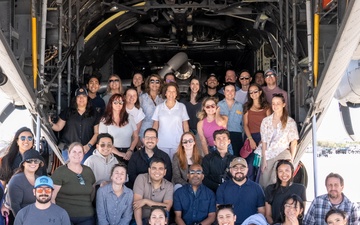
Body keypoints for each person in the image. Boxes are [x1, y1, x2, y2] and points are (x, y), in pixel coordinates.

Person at [255, 93, 299, 188]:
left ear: (283, 104)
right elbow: (264, 141)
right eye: (273, 103)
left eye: (278, 103)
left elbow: (294, 143)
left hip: (283, 152)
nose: (275, 106)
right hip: (269, 152)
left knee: (277, 179)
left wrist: (291, 159)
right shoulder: (266, 121)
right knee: (264, 180)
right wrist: (264, 160)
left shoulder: (290, 122)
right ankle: (265, 201)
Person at [50, 87, 100, 162]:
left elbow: (97, 133)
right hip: (68, 149)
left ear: (87, 98)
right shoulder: (68, 111)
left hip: (86, 150)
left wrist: (88, 146)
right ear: (75, 99)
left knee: (84, 172)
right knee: (70, 172)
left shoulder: (94, 113)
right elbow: (58, 127)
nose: (81, 99)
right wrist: (49, 123)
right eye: (79, 97)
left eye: (84, 96)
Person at [51, 142, 96, 225]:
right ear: (68, 153)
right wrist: (56, 215)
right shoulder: (60, 171)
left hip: (86, 216)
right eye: (74, 152)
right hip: (65, 216)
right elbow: (52, 196)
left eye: (80, 152)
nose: (77, 154)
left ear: (83, 154)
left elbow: (92, 192)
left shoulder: (88, 171)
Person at [216, 157, 265, 225]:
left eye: (242, 168)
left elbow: (261, 211)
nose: (239, 170)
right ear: (230, 170)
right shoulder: (222, 188)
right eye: (235, 168)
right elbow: (219, 212)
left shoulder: (256, 188)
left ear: (247, 170)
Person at [152, 82, 189, 159]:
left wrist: (187, 140)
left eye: (173, 91)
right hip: (161, 143)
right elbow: (155, 125)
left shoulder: (182, 107)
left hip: (177, 143)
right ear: (165, 93)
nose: (171, 93)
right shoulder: (159, 107)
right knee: (162, 165)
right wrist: (153, 138)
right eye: (169, 91)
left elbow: (185, 125)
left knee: (176, 166)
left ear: (176, 94)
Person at [133, 158, 173, 225]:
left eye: (160, 169)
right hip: (142, 219)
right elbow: (137, 205)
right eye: (154, 168)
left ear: (165, 172)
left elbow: (167, 207)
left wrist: (146, 201)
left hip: (160, 221)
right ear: (149, 170)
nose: (157, 171)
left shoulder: (169, 185)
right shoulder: (141, 178)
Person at [243, 84, 270, 180]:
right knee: (249, 165)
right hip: (251, 137)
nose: (253, 94)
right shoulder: (247, 106)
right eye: (251, 92)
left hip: (264, 138)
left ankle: (258, 187)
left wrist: (263, 140)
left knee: (260, 165)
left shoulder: (266, 107)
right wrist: (250, 139)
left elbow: (269, 125)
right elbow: (245, 125)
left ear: (260, 92)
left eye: (255, 91)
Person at [100, 93, 138, 163]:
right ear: (111, 103)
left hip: (129, 152)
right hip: (111, 153)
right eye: (115, 102)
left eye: (121, 102)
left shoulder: (130, 118)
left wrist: (130, 150)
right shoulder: (104, 120)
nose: (118, 104)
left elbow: (136, 137)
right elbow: (103, 141)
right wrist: (119, 154)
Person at [264, 160, 306, 224]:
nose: (284, 174)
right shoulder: (270, 189)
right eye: (280, 171)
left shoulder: (301, 188)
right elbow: (268, 215)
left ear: (292, 171)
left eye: (287, 170)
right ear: (277, 173)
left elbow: (301, 212)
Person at [6, 149, 45, 216]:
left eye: (36, 161)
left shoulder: (40, 179)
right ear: (23, 163)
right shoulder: (16, 180)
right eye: (29, 161)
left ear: (39, 164)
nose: (33, 163)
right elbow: (15, 206)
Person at [218, 82, 243, 157]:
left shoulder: (240, 106)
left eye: (232, 90)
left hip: (236, 135)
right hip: (222, 135)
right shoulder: (218, 105)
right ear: (224, 92)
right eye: (227, 90)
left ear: (235, 92)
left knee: (235, 158)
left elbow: (243, 123)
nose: (230, 93)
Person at [139, 74, 164, 140]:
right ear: (148, 83)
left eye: (157, 82)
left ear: (160, 84)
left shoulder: (163, 99)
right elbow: (137, 118)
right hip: (144, 131)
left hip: (160, 131)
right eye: (152, 81)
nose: (154, 84)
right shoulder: (142, 98)